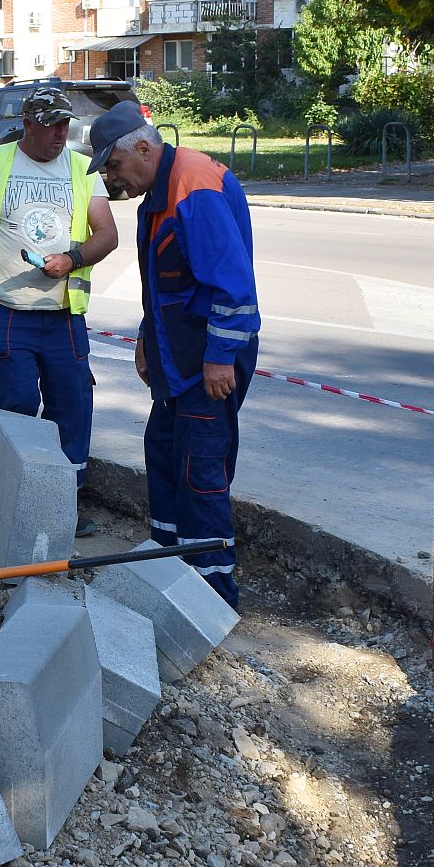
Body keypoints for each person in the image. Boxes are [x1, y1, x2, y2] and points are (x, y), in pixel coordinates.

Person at [86, 101, 260, 609]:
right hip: (177, 356)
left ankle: (212, 596)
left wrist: (220, 357)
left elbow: (231, 286)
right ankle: (168, 567)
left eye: (114, 165)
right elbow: (165, 283)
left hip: (207, 360)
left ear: (144, 148)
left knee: (201, 470)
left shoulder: (193, 188)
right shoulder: (160, 193)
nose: (112, 179)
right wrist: (147, 336)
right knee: (164, 454)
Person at [0, 85, 119, 533]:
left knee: (72, 408)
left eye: (65, 125)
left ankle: (64, 507)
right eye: (51, 126)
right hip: (7, 311)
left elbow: (107, 234)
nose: (59, 134)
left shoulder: (81, 168)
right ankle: (15, 506)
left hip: (63, 315)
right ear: (28, 125)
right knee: (14, 407)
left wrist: (72, 259)